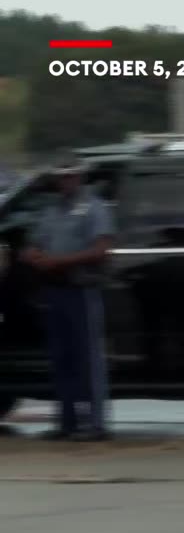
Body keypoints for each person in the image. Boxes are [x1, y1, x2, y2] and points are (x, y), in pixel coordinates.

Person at [19, 155, 115, 441]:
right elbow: (33, 245)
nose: (66, 181)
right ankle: (68, 422)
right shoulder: (51, 211)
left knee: (88, 359)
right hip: (54, 290)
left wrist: (60, 261)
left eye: (71, 176)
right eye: (61, 177)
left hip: (80, 289)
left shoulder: (94, 208)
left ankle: (95, 424)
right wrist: (32, 255)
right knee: (61, 359)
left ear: (81, 177)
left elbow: (102, 248)